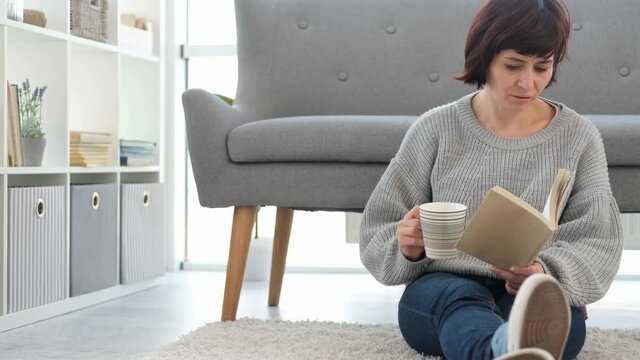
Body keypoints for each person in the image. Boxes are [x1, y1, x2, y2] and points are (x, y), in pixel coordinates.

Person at [359, 0, 623, 359]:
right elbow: (379, 229)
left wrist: (546, 272)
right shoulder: (436, 128)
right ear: (484, 56)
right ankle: (499, 350)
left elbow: (597, 239)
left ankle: (498, 348)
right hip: (443, 284)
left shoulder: (578, 136)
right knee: (453, 302)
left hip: (529, 289)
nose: (528, 83)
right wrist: (406, 244)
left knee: (566, 327)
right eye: (513, 65)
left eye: (542, 67)